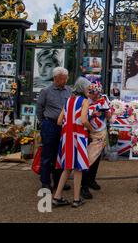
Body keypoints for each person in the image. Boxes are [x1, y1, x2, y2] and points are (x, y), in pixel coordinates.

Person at [52, 77, 93, 208]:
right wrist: (91, 130)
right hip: (79, 136)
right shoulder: (84, 101)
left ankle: (57, 196)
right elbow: (84, 120)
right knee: (79, 168)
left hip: (66, 137)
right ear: (82, 88)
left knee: (67, 167)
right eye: (88, 88)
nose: (89, 90)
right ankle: (76, 199)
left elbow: (59, 121)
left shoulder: (68, 100)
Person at [36, 67, 72, 191]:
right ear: (56, 78)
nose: (65, 81)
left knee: (61, 154)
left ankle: (58, 182)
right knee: (47, 155)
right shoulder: (45, 91)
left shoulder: (69, 90)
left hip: (64, 126)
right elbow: (39, 109)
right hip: (50, 125)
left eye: (66, 78)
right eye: (63, 78)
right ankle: (45, 182)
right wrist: (43, 123)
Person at [81, 82, 113, 199]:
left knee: (97, 158)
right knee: (88, 159)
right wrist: (92, 115)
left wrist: (108, 113)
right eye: (92, 93)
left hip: (101, 131)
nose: (94, 96)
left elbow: (109, 117)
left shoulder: (104, 99)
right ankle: (83, 185)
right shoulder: (84, 102)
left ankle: (91, 180)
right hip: (88, 132)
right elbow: (81, 118)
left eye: (96, 94)